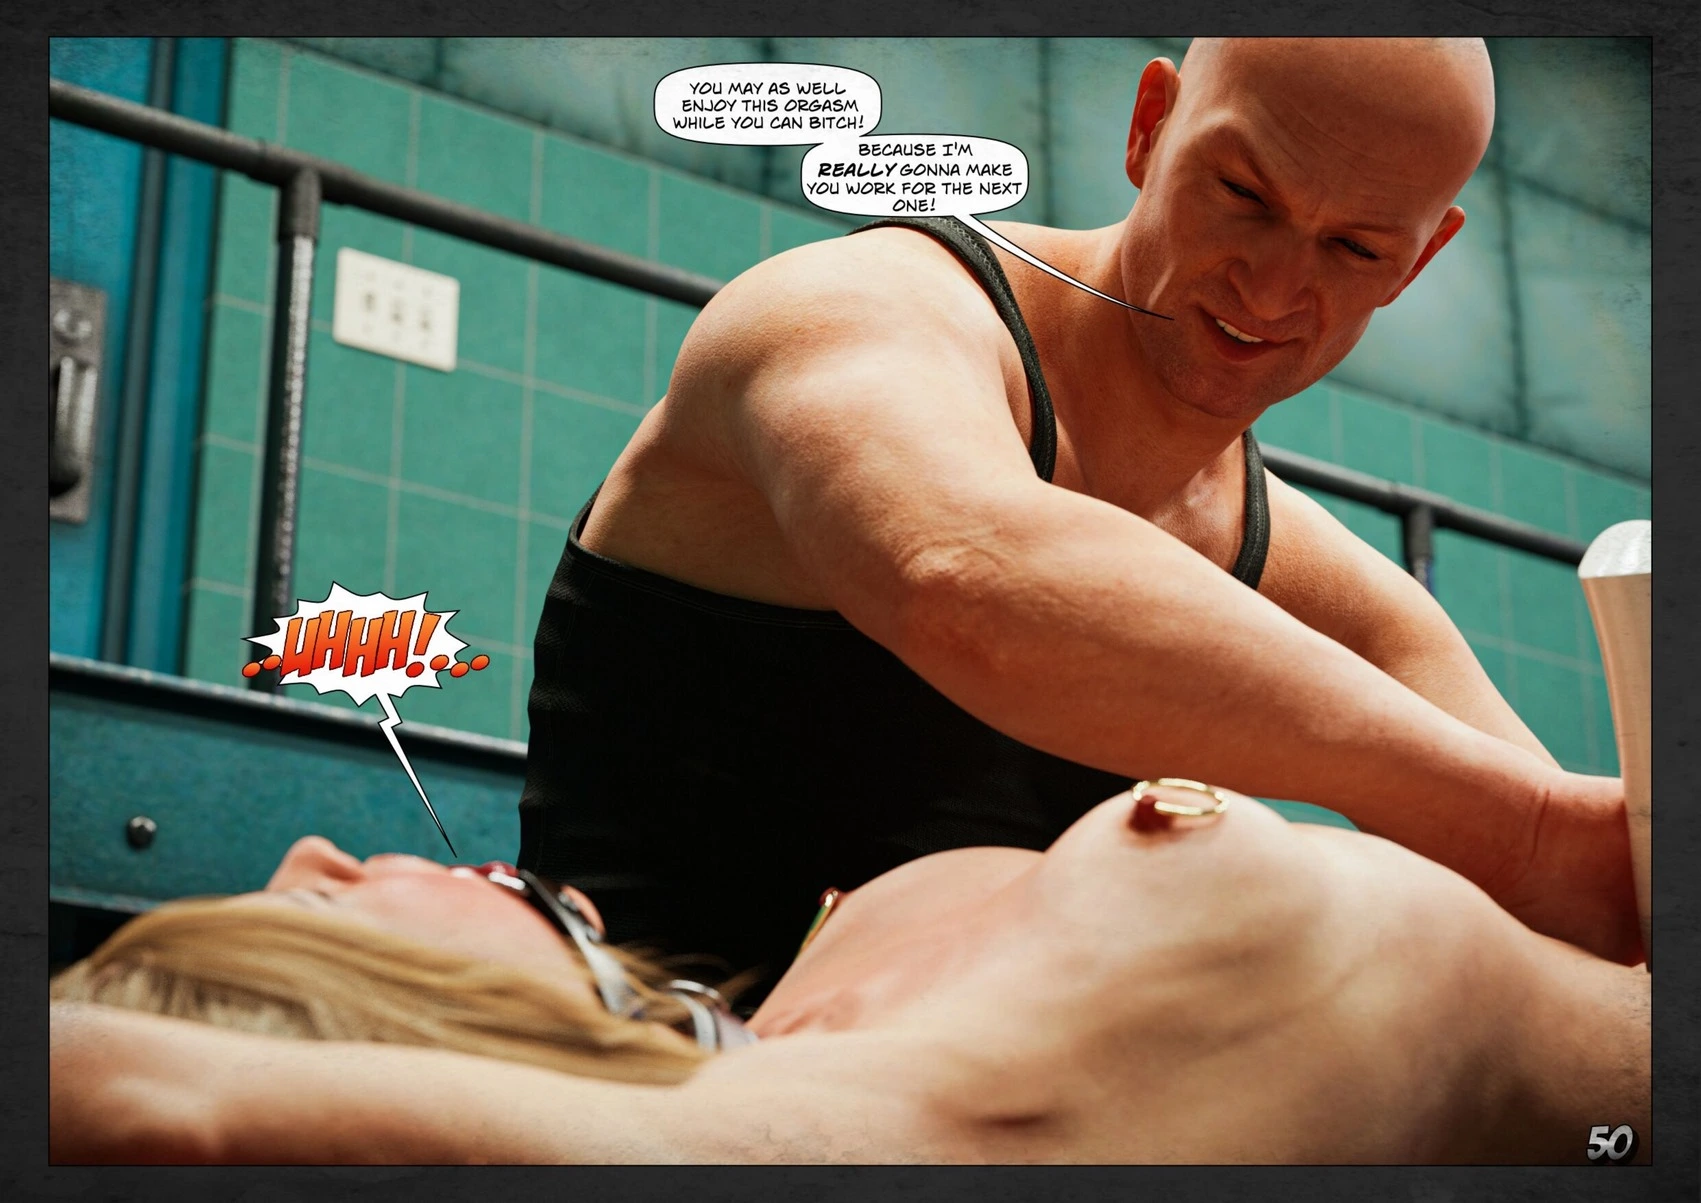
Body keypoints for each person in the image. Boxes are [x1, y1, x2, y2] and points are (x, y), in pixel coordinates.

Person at [517, 35, 1638, 989]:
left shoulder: (1312, 577)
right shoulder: (855, 310)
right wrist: (1528, 833)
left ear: (1418, 261)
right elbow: (966, 578)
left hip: (937, 1118)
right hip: (614, 1082)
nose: (1271, 289)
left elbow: (1596, 897)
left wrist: (1585, 855)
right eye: (1243, 195)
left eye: (1354, 248)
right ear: (1151, 127)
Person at [51, 783, 1649, 1164]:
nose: (315, 851)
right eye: (299, 914)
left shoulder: (808, 1025)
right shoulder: (885, 1119)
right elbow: (153, 1101)